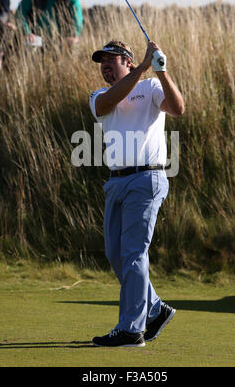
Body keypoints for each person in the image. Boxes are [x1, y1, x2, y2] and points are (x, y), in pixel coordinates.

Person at [89, 40, 185, 347]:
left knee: (133, 253)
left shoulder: (151, 89)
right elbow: (109, 103)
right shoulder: (99, 96)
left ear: (127, 61)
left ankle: (131, 329)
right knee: (116, 254)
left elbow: (178, 108)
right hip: (115, 182)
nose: (104, 64)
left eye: (111, 59)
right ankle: (154, 309)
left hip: (147, 177)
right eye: (101, 61)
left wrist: (162, 71)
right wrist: (144, 67)